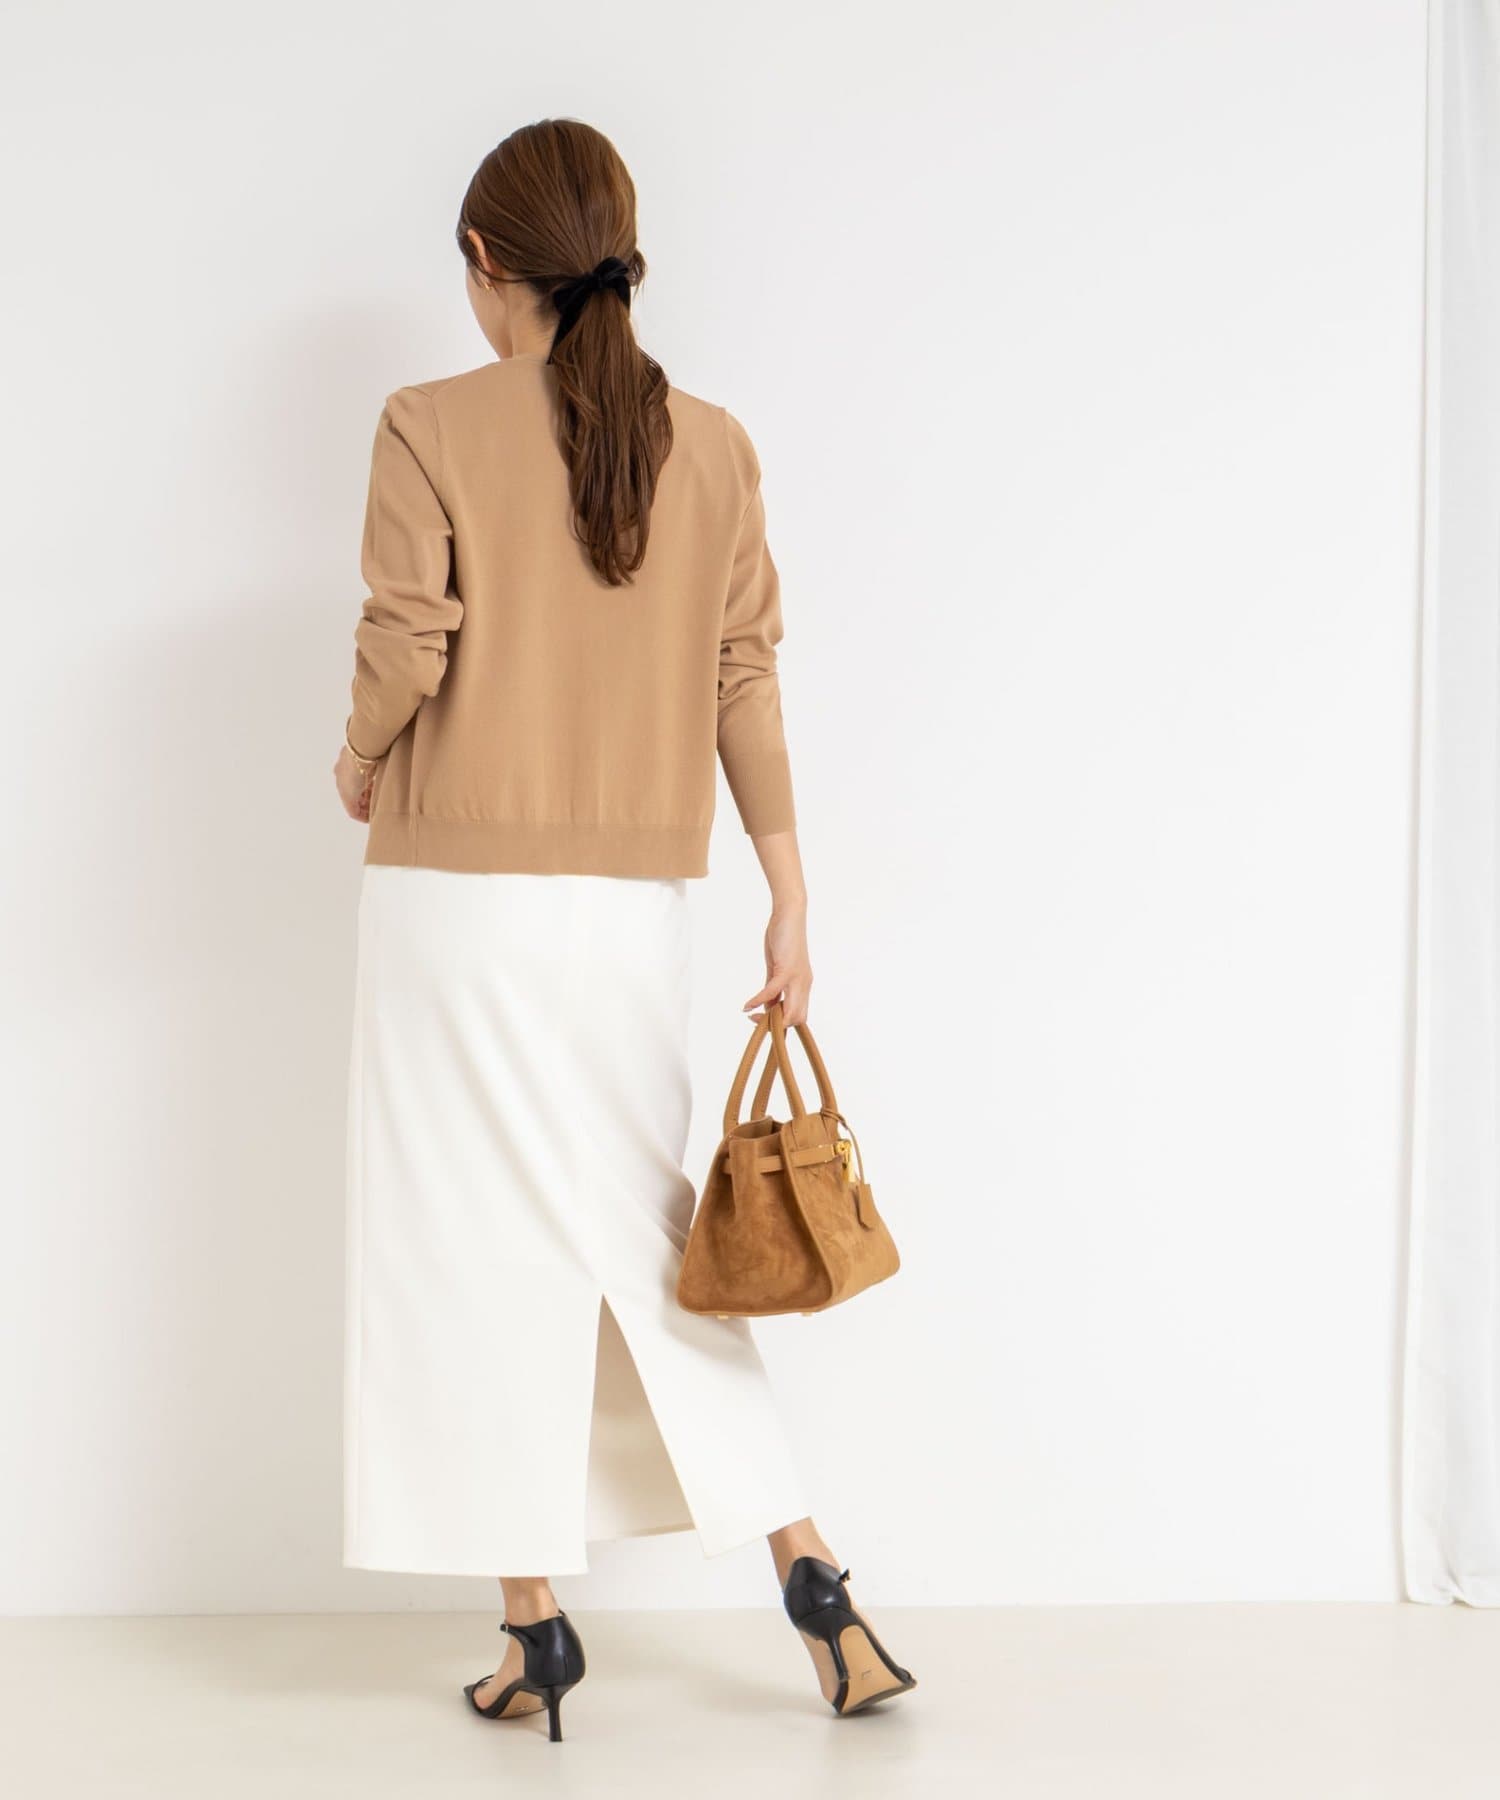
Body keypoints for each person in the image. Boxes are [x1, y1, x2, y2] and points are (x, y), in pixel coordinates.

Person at [332, 117, 915, 1743]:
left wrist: (359, 758)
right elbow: (744, 672)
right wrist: (789, 885)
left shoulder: (427, 423)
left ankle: (537, 1625)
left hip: (453, 906)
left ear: (485, 265)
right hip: (633, 919)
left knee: (466, 1250)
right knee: (650, 1243)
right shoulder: (714, 446)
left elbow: (408, 639)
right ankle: (813, 1577)